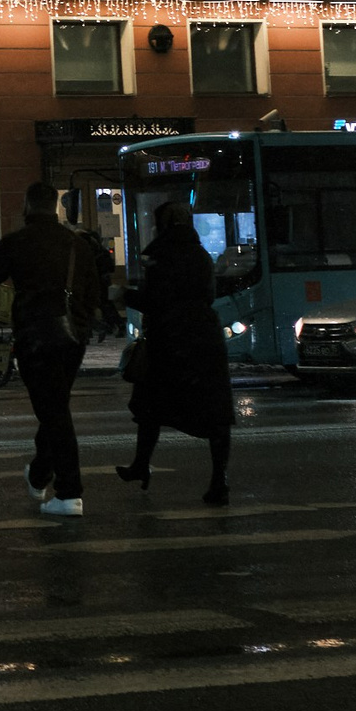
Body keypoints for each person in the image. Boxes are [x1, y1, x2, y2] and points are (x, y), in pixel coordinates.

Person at [0, 182, 107, 517]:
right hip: (72, 337)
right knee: (55, 408)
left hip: (36, 336)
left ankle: (69, 493)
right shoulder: (76, 245)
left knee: (53, 412)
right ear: (55, 206)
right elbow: (94, 292)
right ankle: (39, 473)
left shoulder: (18, 241)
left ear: (27, 204)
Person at [111, 201, 237, 503]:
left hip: (170, 340)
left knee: (151, 406)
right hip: (205, 338)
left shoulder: (160, 254)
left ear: (162, 225)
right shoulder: (202, 254)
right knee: (214, 412)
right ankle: (219, 480)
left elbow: (156, 300)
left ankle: (142, 465)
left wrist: (122, 295)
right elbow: (208, 294)